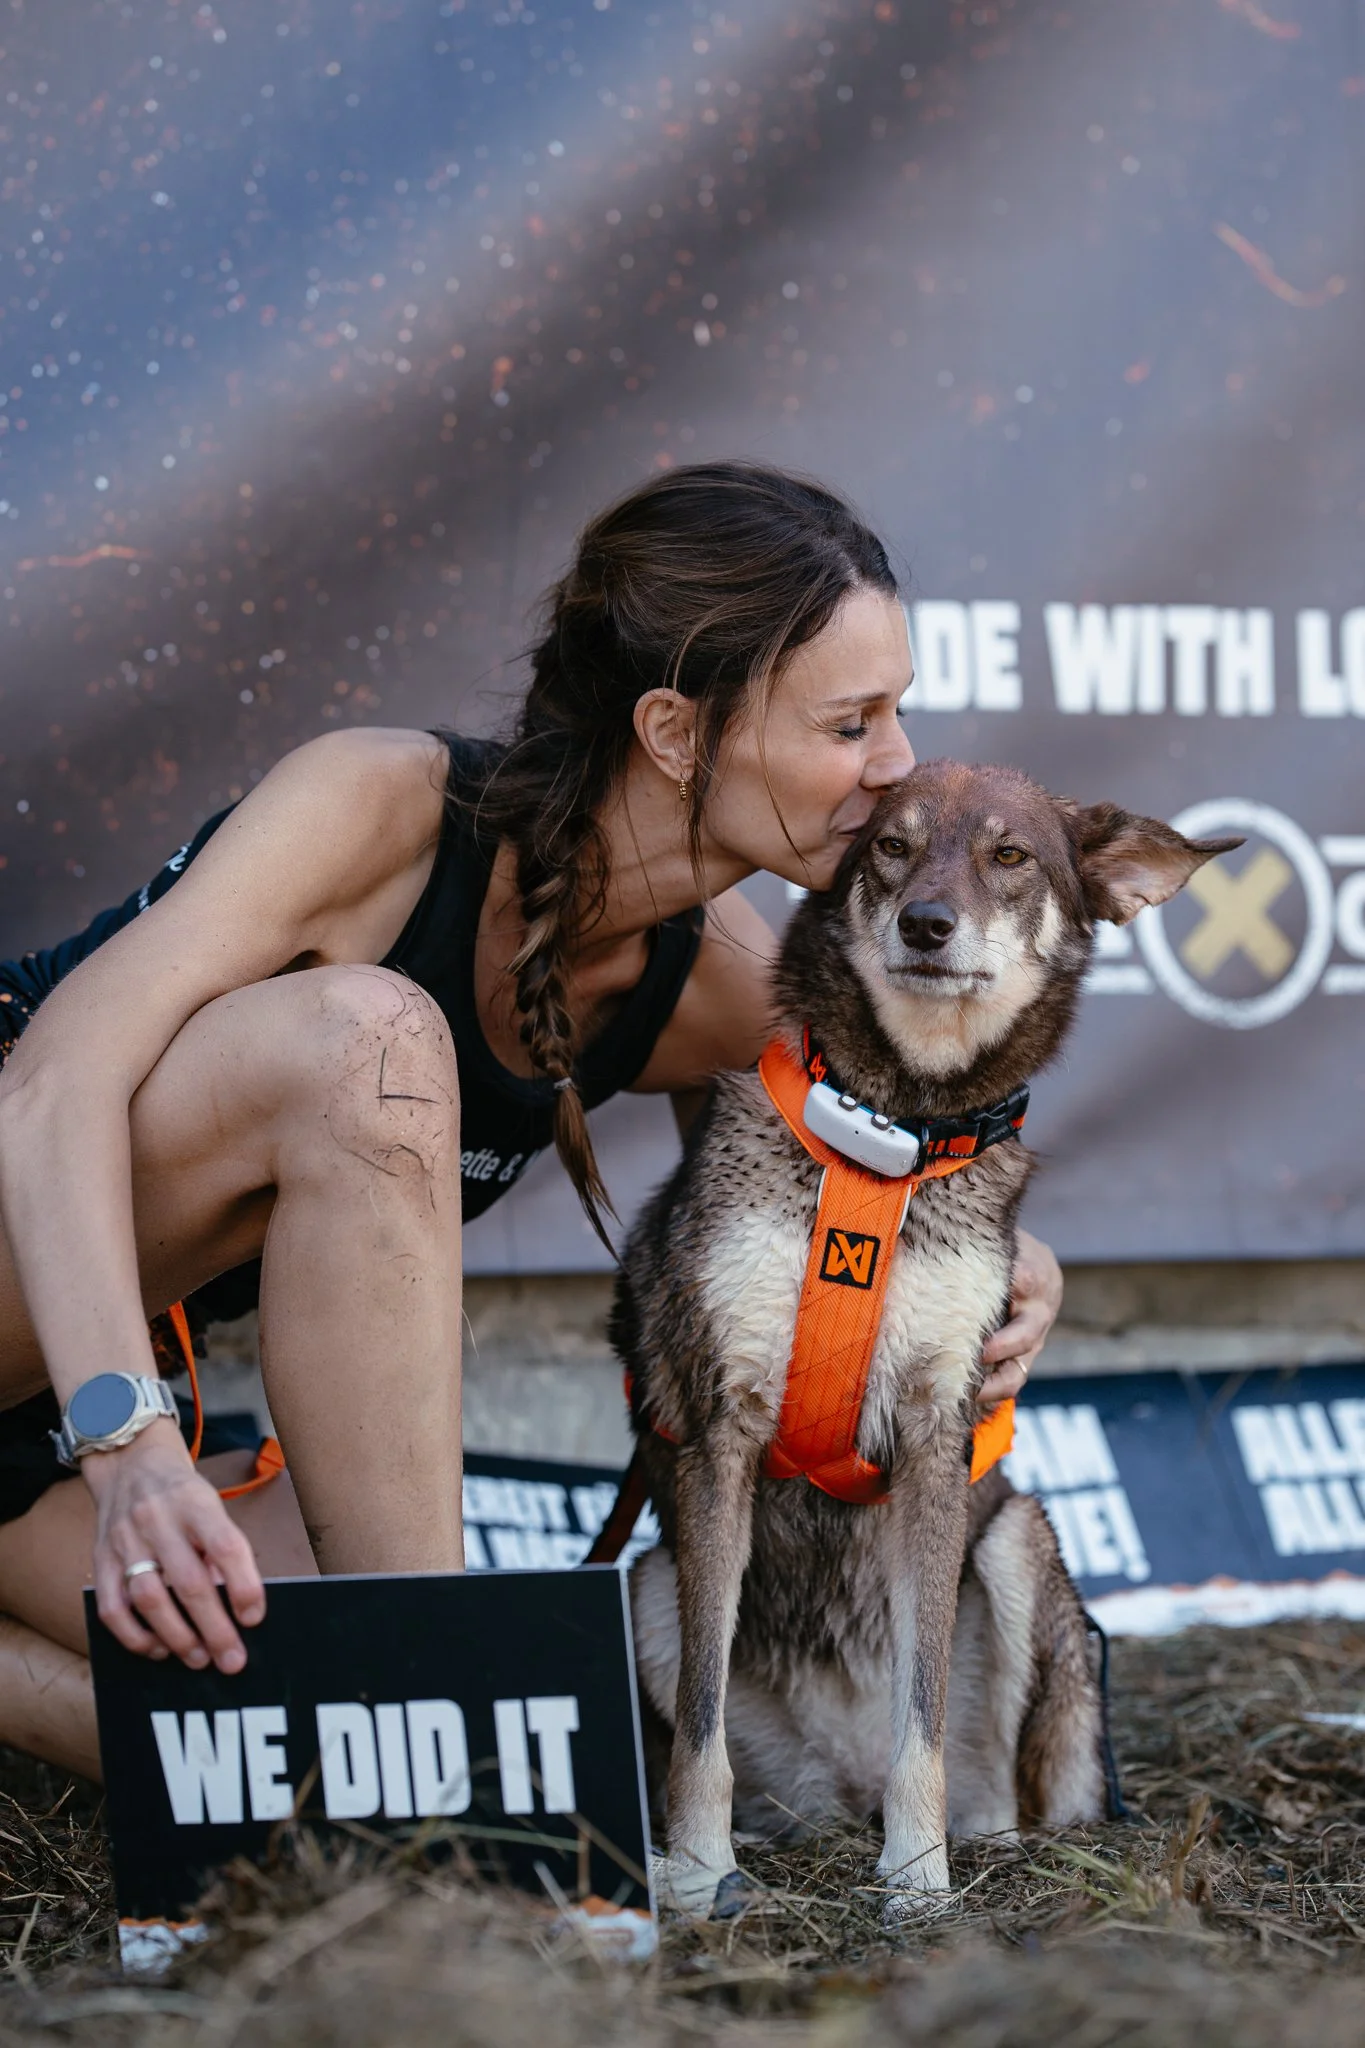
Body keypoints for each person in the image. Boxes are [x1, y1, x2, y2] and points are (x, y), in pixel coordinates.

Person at [0, 462, 1062, 1779]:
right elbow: (44, 1087)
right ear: (677, 733)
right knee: (370, 1039)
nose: (899, 766)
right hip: (56, 1313)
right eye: (852, 724)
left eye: (898, 714)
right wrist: (132, 1447)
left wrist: (1014, 1262)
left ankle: (418, 1744)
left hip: (40, 1410)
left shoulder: (721, 991)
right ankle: (443, 1740)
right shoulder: (381, 807)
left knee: (299, 1721)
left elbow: (895, 1190)